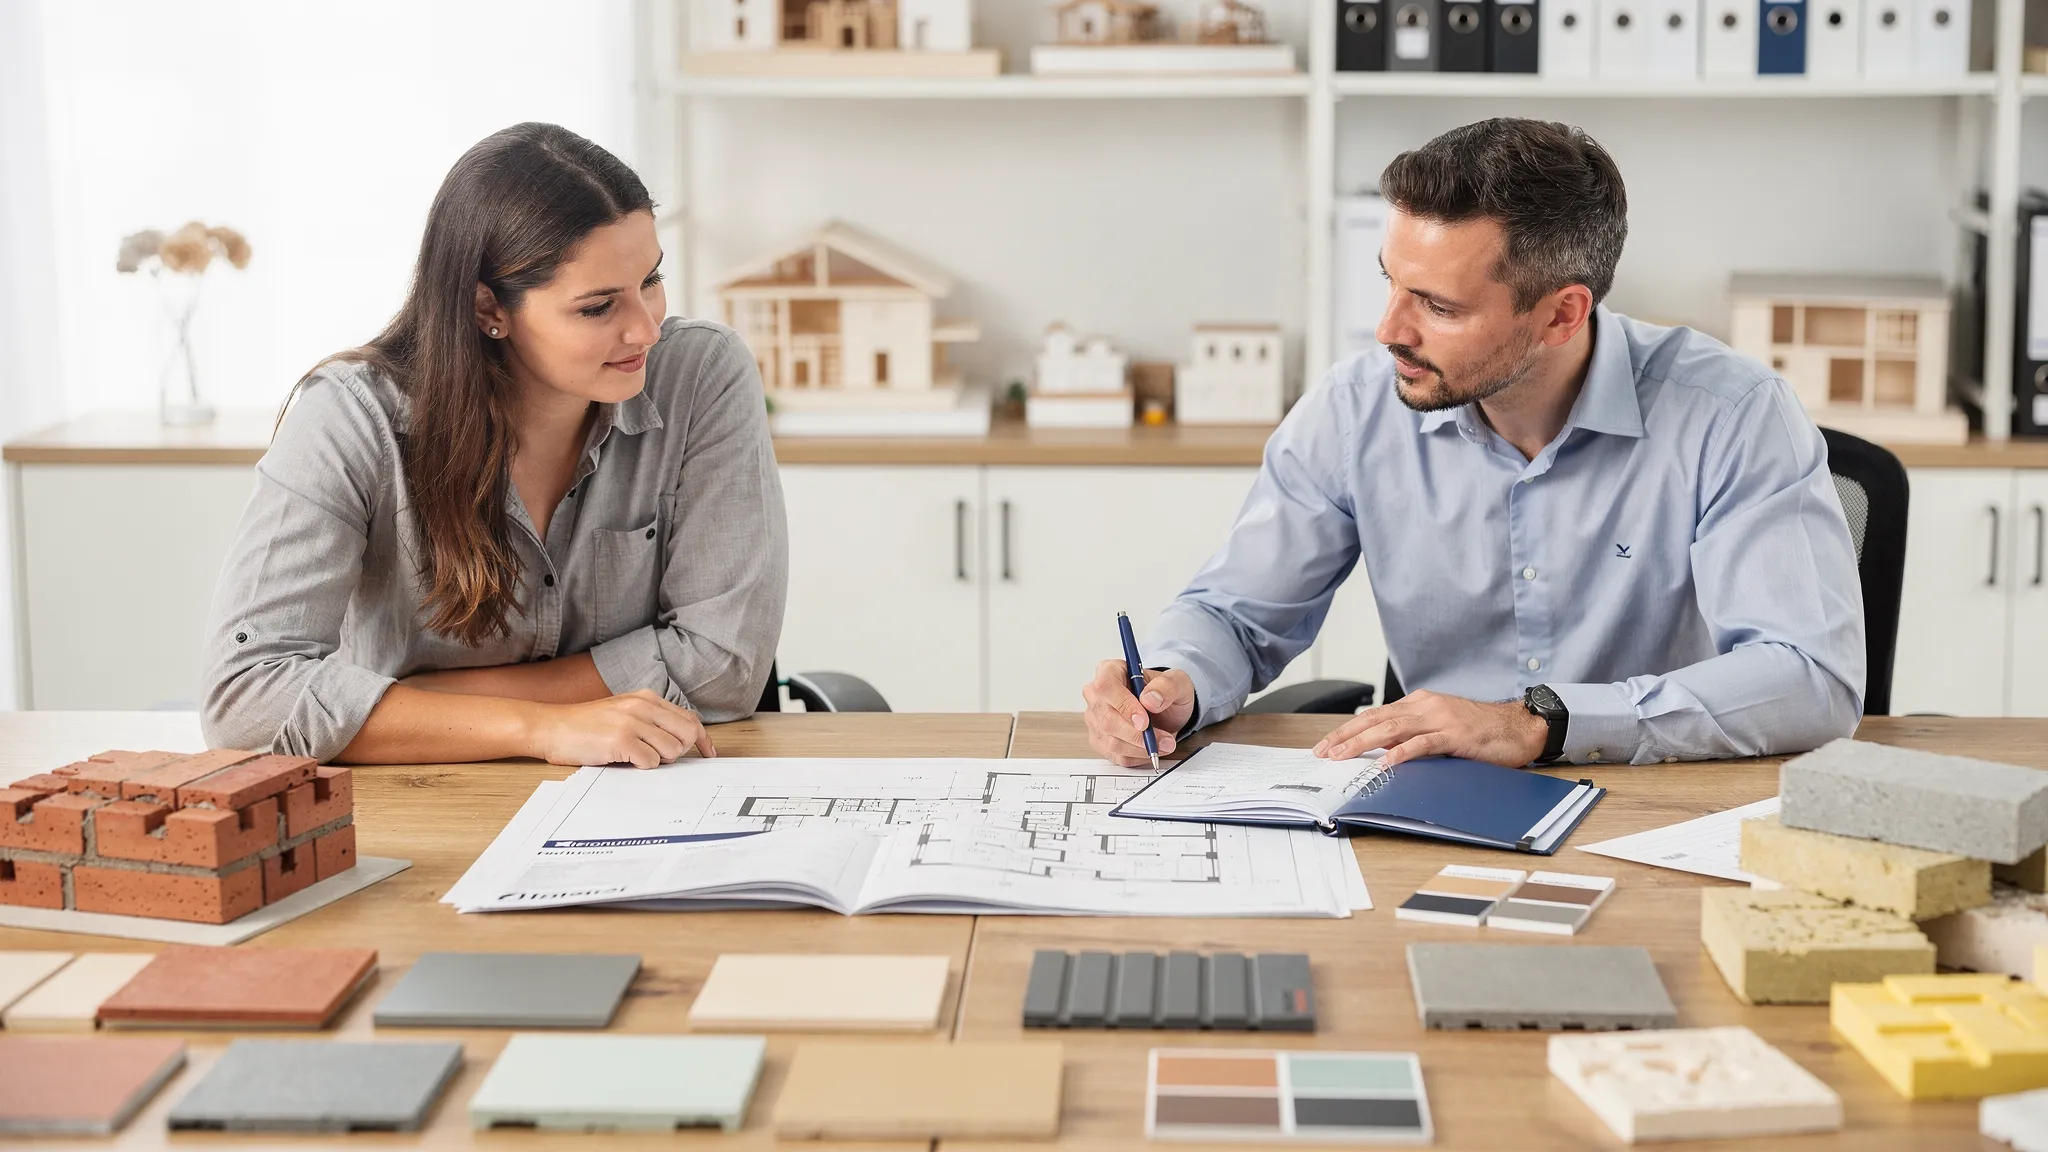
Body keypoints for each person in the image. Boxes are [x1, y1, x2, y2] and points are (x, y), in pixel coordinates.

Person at [1083, 118, 1864, 770]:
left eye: (1437, 305)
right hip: (1428, 803)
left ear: (1562, 314)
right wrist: (1176, 682)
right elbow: (1235, 612)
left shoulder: (1730, 414)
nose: (1391, 329)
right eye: (1390, 281)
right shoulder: (1356, 410)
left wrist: (1540, 722)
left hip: (1658, 801)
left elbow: (1808, 679)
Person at [201, 123, 787, 767]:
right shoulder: (350, 416)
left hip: (648, 788)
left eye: (651, 280)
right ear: (489, 309)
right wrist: (538, 728)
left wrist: (419, 702)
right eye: (597, 307)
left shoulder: (701, 374)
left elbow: (725, 665)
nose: (646, 329)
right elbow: (245, 696)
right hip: (414, 806)